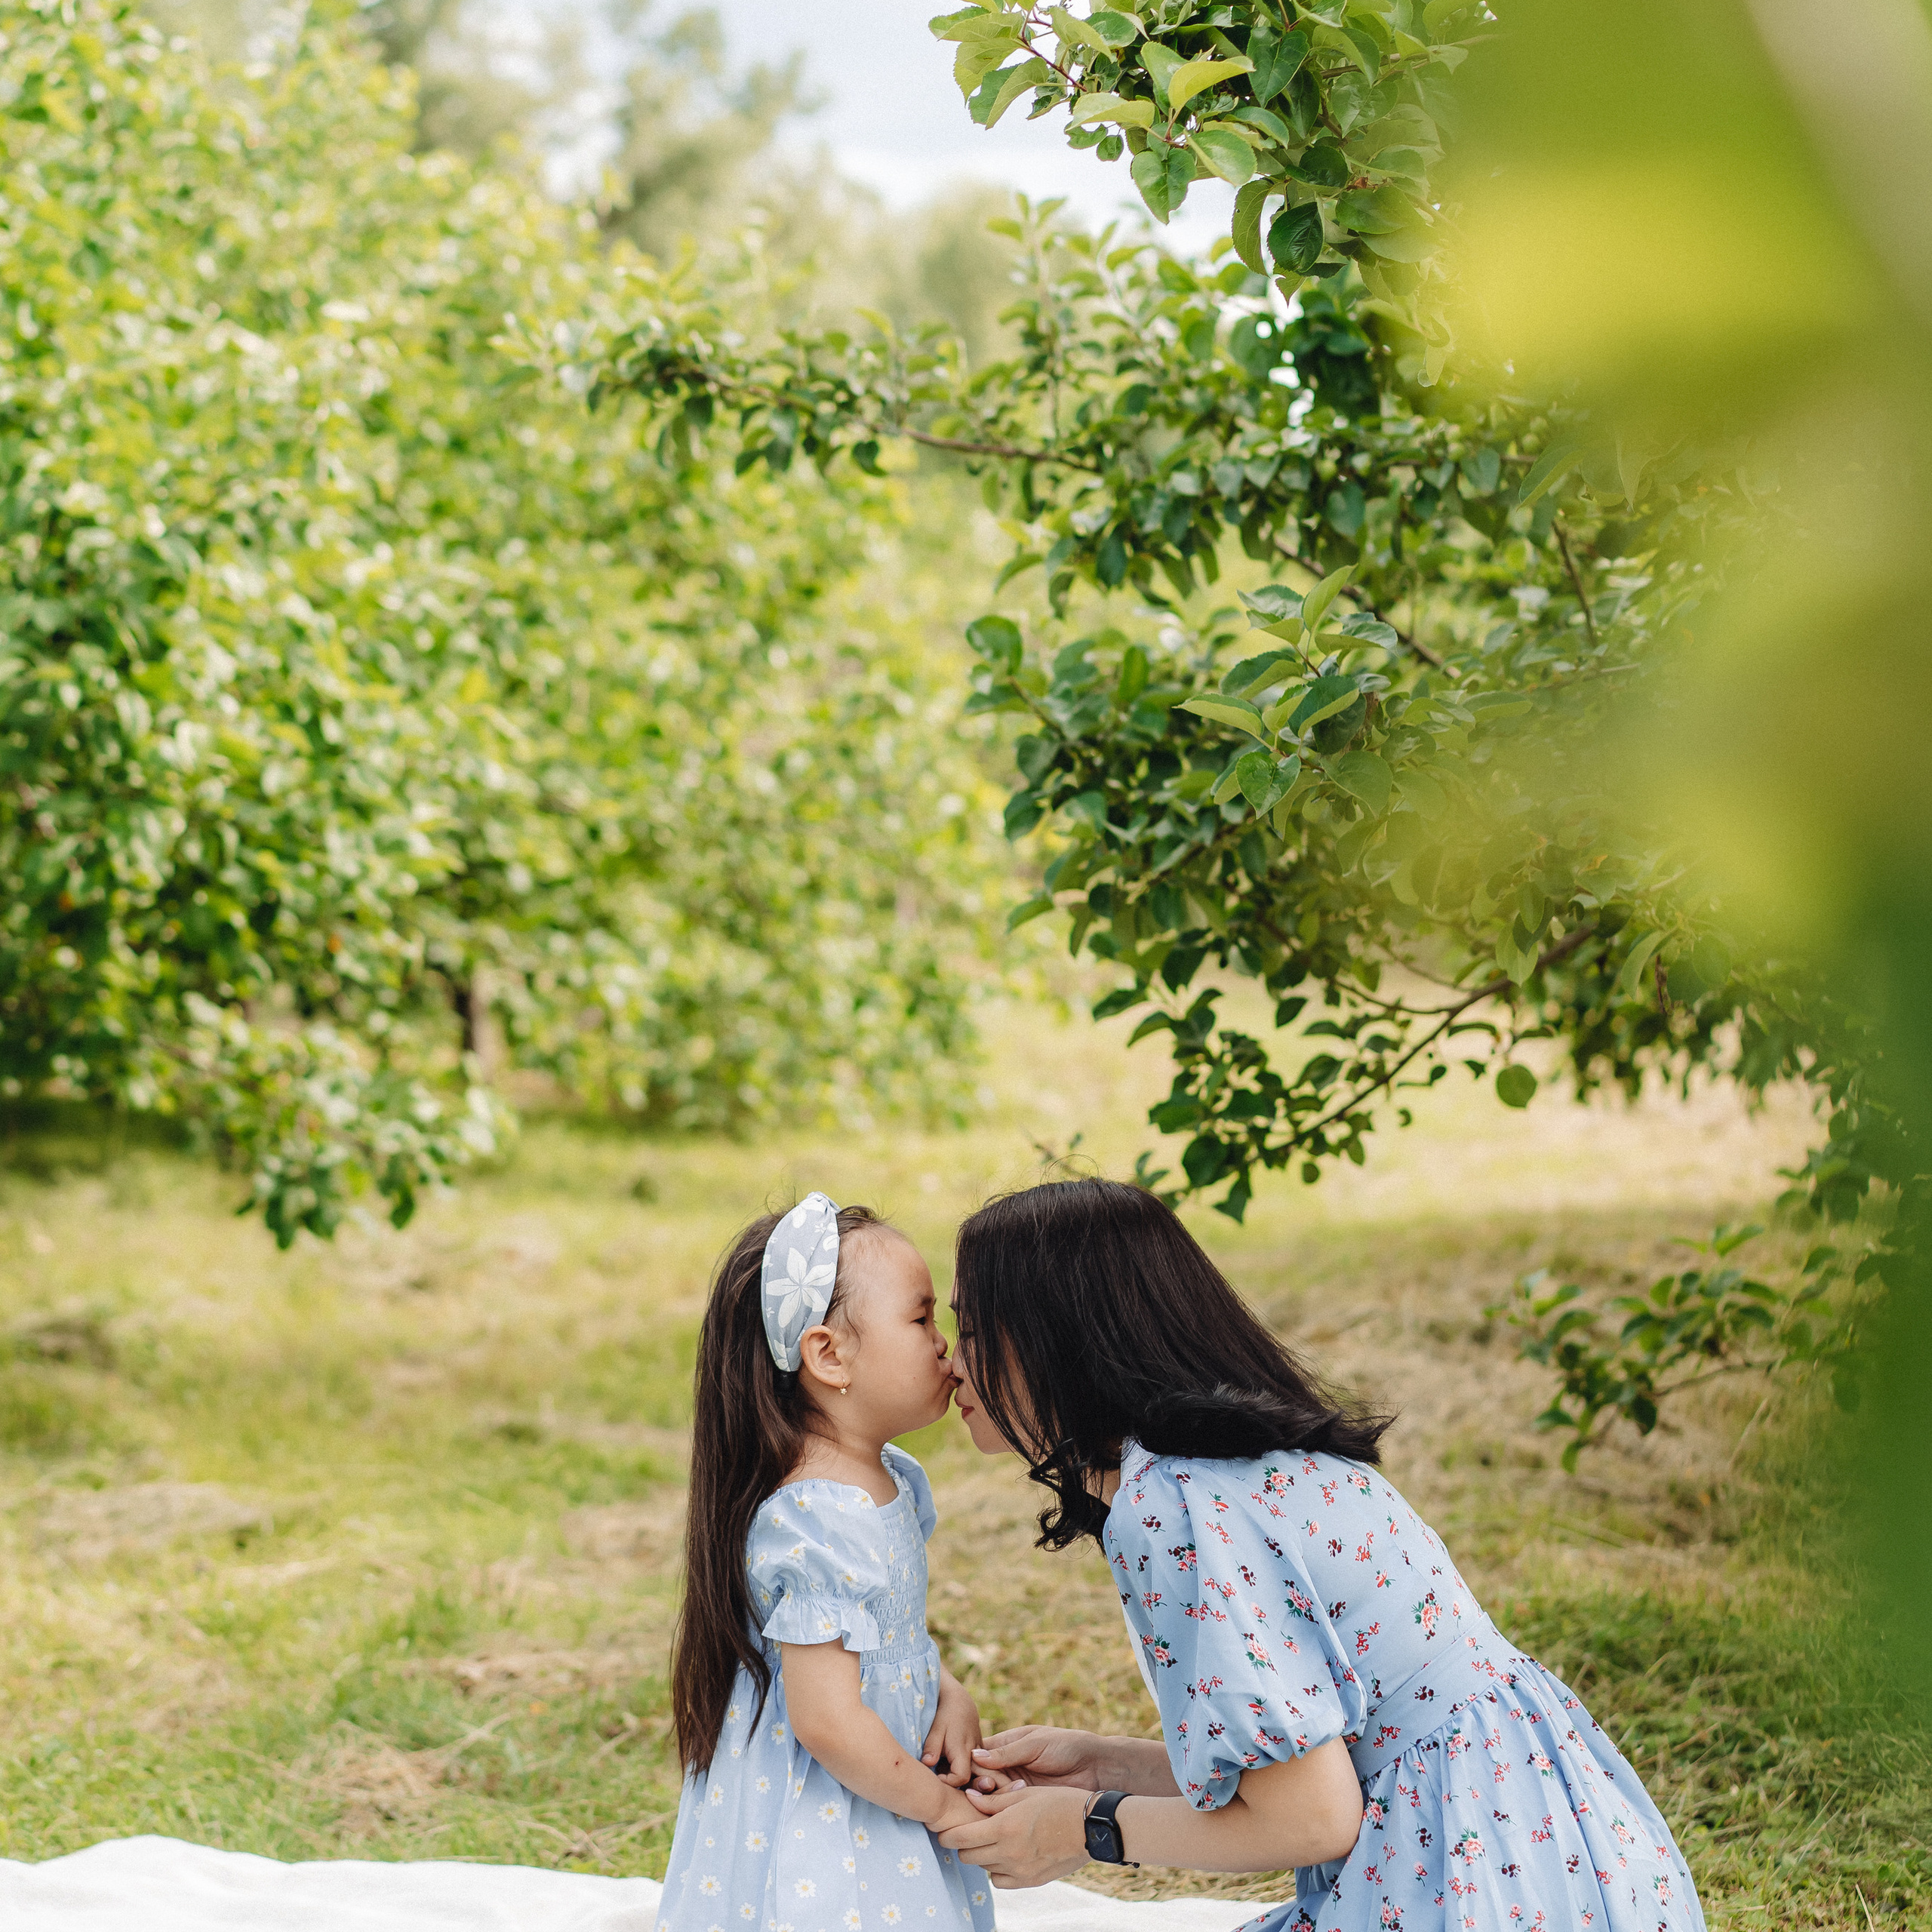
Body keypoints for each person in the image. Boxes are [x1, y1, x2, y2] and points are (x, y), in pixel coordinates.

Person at [938, 1178, 1706, 1932]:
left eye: (970, 1331)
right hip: (1567, 1862)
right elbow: (1338, 1758)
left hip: (1462, 1881)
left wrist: (1084, 1826)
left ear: (1057, 1337)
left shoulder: (1174, 1506)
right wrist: (1102, 1766)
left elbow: (1312, 1819)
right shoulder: (1257, 1457)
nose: (952, 1364)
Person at [658, 1193, 999, 1932]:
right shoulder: (816, 1516)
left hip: (882, 1780)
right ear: (829, 1354)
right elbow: (828, 1722)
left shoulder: (886, 1477)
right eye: (921, 1319)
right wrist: (938, 1806)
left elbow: (881, 1631)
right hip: (832, 1804)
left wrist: (946, 1691)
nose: (945, 1344)